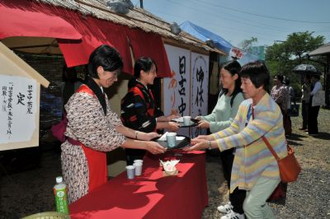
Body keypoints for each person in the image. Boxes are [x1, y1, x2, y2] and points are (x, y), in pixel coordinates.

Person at [61, 45, 166, 203]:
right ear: (101, 70)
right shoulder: (84, 98)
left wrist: (142, 135)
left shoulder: (98, 92)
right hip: (81, 158)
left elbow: (113, 123)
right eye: (115, 74)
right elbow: (106, 138)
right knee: (84, 202)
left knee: (97, 197)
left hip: (94, 152)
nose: (116, 79)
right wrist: (144, 145)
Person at [185, 61, 288, 219]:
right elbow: (233, 128)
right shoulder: (246, 105)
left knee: (251, 206)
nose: (241, 87)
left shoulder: (270, 110)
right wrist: (208, 137)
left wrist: (211, 144)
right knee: (258, 204)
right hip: (255, 164)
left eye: (245, 83)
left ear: (259, 85)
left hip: (270, 166)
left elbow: (244, 136)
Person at [195, 60, 246, 219]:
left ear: (235, 76)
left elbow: (233, 123)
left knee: (236, 178)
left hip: (233, 143)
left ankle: (239, 212)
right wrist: (202, 118)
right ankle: (233, 203)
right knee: (228, 175)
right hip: (222, 142)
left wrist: (210, 124)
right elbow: (215, 114)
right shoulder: (223, 93)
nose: (221, 79)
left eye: (224, 76)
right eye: (220, 76)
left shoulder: (239, 97)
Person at [121, 57, 179, 165]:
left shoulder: (146, 90)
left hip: (147, 139)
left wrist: (169, 118)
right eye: (153, 72)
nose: (156, 75)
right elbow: (145, 123)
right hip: (136, 144)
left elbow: (154, 114)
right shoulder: (135, 93)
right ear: (142, 73)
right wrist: (167, 124)